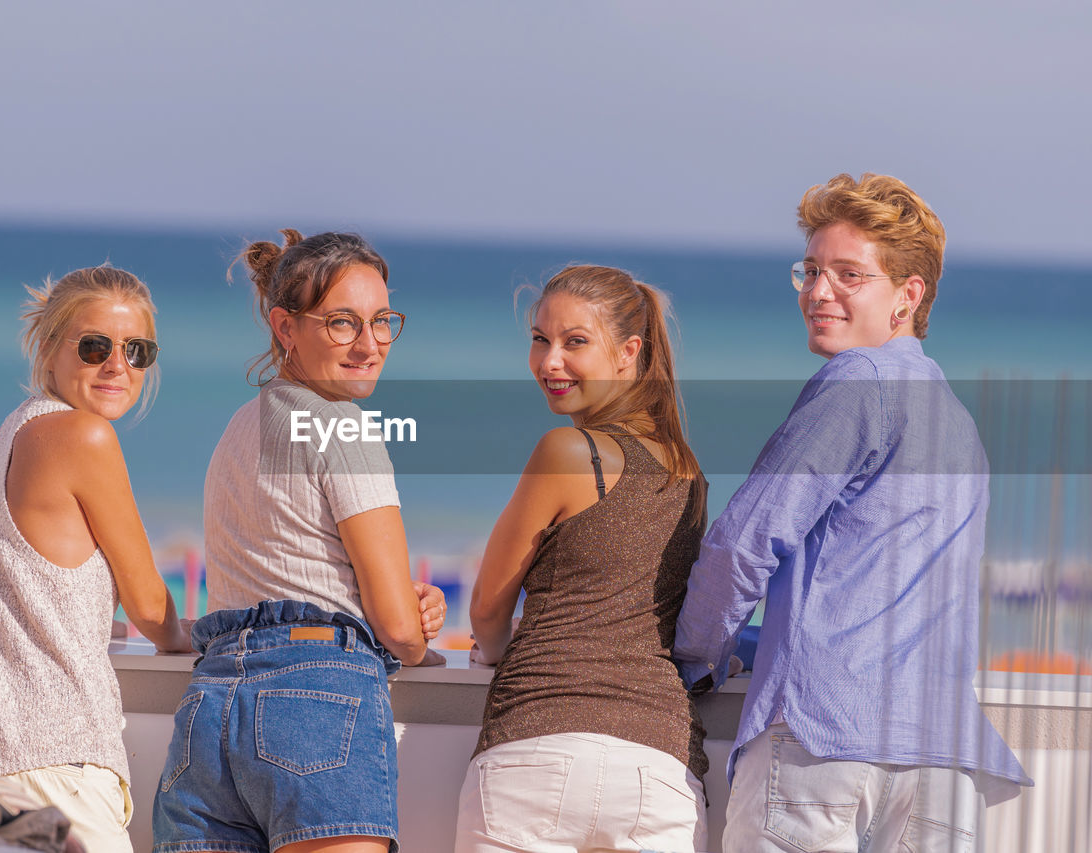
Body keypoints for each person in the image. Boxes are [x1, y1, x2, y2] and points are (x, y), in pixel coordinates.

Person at [674, 173, 1032, 852]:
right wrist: (751, 646)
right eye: (810, 271)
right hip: (939, 760)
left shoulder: (856, 382)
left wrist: (692, 655)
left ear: (909, 294)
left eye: (847, 274)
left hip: (824, 744)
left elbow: (743, 545)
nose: (818, 291)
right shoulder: (958, 425)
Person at [152, 230, 445, 853]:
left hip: (211, 707)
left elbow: (281, 565)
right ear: (285, 328)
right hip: (316, 698)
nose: (370, 344)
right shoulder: (343, 425)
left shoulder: (240, 427)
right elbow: (396, 629)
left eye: (382, 321)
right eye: (342, 323)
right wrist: (417, 642)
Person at [0, 264, 195, 853]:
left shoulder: (15, 433)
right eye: (95, 346)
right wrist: (203, 638)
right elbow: (151, 607)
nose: (119, 365)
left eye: (138, 350)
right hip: (44, 770)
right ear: (48, 347)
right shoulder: (84, 437)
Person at [455, 265, 710, 852]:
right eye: (540, 339)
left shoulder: (568, 452)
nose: (549, 362)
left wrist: (493, 650)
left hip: (536, 750)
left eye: (574, 342)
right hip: (659, 768)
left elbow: (489, 608)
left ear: (629, 352)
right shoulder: (688, 474)